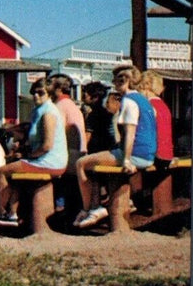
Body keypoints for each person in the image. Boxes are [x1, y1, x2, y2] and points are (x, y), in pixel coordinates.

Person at [73, 65, 158, 229]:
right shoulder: (146, 102)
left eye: (116, 81)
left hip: (134, 154)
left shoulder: (128, 101)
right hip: (148, 155)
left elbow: (130, 132)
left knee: (81, 164)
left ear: (125, 81)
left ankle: (91, 208)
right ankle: (110, 203)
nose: (114, 84)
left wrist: (126, 159)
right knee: (95, 165)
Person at [0, 79, 68, 227]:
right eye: (34, 92)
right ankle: (12, 214)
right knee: (13, 173)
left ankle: (1, 211)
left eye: (41, 93)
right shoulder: (38, 111)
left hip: (50, 161)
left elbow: (47, 145)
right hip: (43, 160)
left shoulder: (49, 113)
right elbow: (28, 128)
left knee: (2, 172)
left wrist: (29, 156)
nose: (36, 96)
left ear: (50, 94)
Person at [47, 73, 87, 212]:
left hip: (69, 154)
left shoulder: (60, 106)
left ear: (58, 89)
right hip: (78, 152)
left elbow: (57, 132)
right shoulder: (71, 105)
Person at [138, 69, 174, 171]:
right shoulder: (164, 106)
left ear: (146, 86)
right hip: (167, 155)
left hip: (154, 157)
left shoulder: (147, 106)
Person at [82, 81, 115, 154]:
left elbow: (88, 135)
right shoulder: (107, 113)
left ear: (95, 97)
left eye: (88, 93)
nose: (84, 95)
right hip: (107, 149)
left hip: (95, 150)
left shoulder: (93, 114)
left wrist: (82, 151)